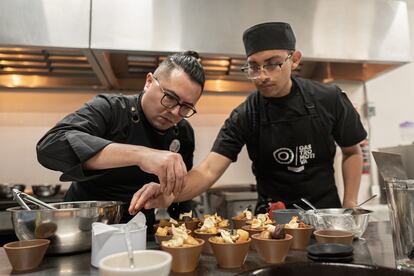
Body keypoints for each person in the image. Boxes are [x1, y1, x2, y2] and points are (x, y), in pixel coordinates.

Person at [129, 22, 367, 215]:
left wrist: (350, 203)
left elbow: (352, 152)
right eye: (254, 67)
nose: (262, 76)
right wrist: (170, 192)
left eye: (272, 64)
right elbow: (208, 171)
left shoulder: (329, 98)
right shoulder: (245, 115)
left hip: (325, 215)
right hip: (273, 222)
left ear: (294, 60)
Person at [36, 51, 205, 232]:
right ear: (149, 82)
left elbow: (178, 194)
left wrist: (187, 231)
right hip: (83, 229)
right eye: (170, 97)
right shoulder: (110, 109)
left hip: (139, 232)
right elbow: (50, 145)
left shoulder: (184, 133)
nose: (175, 111)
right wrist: (141, 155)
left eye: (186, 107)